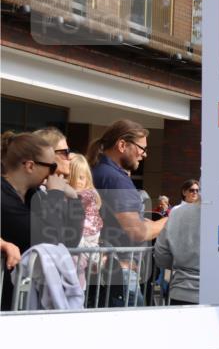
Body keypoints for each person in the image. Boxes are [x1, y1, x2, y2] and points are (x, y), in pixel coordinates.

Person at [1, 132, 84, 311]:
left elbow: (69, 240)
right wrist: (55, 195)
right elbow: (47, 238)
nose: (53, 174)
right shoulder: (4, 197)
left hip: (22, 298)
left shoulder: (34, 196)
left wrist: (75, 199)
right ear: (30, 166)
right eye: (51, 167)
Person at [88, 120, 168, 246]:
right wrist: (169, 221)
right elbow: (137, 232)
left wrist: (149, 224)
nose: (145, 154)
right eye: (142, 148)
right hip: (121, 262)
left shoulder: (96, 170)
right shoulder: (116, 180)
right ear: (122, 145)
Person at [153, 201, 201, 305]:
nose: (194, 192)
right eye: (191, 190)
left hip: (181, 290)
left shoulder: (177, 212)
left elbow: (161, 253)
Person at [68, 154, 104, 288]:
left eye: (82, 177)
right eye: (73, 177)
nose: (78, 181)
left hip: (86, 237)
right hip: (82, 240)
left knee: (79, 269)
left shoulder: (85, 195)